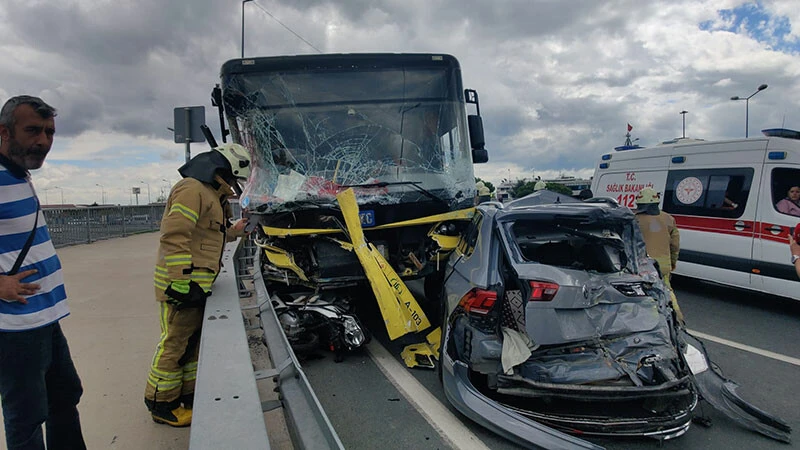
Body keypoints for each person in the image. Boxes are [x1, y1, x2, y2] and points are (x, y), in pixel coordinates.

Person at [0, 96, 86, 449]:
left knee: (65, 395)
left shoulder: (17, 174)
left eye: (49, 132)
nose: (43, 141)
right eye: (33, 131)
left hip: (44, 318)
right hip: (16, 327)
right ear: (3, 132)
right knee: (27, 415)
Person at [144, 143, 251, 427]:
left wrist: (233, 232)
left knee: (190, 347)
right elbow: (175, 235)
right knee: (175, 345)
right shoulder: (192, 190)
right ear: (222, 170)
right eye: (233, 178)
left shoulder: (210, 195)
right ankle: (160, 404)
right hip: (182, 286)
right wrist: (180, 282)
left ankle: (187, 397)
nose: (233, 185)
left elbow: (206, 237)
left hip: (197, 287)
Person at [634, 187, 684, 322]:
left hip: (642, 266)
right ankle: (678, 320)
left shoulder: (634, 220)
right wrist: (672, 263)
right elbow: (675, 245)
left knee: (641, 294)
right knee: (667, 292)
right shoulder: (669, 219)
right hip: (663, 266)